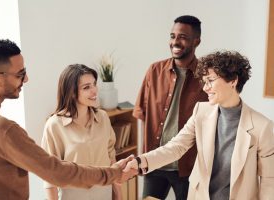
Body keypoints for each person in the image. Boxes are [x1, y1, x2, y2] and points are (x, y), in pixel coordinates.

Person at [0, 39, 136, 200]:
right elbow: (55, 172)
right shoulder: (3, 129)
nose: (27, 79)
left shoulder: (102, 117)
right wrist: (114, 173)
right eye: (20, 74)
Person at [125, 50, 274, 199]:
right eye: (204, 81)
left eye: (210, 80)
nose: (205, 88)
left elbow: (269, 180)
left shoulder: (262, 127)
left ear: (233, 81)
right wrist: (141, 161)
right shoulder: (201, 112)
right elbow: (176, 147)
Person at [133, 15, 207, 199]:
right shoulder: (154, 71)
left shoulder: (206, 76)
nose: (175, 41)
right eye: (172, 36)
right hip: (154, 162)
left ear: (196, 41)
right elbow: (141, 114)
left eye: (182, 37)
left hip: (188, 167)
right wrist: (142, 156)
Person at [41, 64, 121, 200]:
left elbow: (111, 159)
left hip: (104, 191)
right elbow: (49, 175)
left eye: (94, 84)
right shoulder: (54, 125)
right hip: (72, 194)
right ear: (71, 92)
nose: (94, 91)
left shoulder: (102, 117)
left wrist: (118, 196)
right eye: (86, 87)